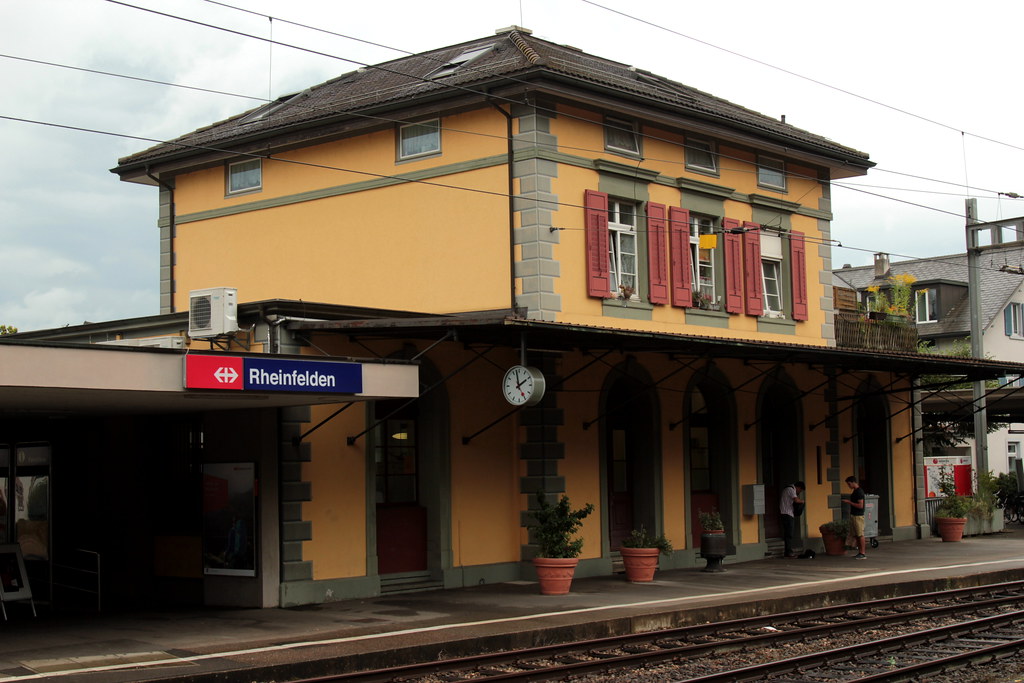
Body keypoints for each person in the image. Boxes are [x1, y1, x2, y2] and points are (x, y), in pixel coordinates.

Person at [843, 475, 867, 559]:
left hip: (858, 516)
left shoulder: (859, 492)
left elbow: (860, 505)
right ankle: (860, 552)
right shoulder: (855, 491)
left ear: (853, 482)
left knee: (860, 534)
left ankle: (863, 552)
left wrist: (849, 502)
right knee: (857, 534)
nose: (848, 486)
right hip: (854, 515)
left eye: (849, 484)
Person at [779, 481, 805, 558]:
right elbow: (796, 500)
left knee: (788, 533)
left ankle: (787, 551)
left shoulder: (786, 489)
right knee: (789, 534)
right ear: (798, 487)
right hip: (787, 514)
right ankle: (788, 552)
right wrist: (803, 501)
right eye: (800, 490)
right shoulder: (790, 489)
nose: (799, 492)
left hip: (785, 513)